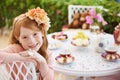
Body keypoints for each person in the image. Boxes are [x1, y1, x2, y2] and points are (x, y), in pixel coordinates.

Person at [0, 7, 54, 80]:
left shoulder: (48, 54)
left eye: (35, 34)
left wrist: (42, 61)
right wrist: (20, 57)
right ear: (18, 39)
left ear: (42, 33)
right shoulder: (15, 49)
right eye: (25, 37)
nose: (31, 41)